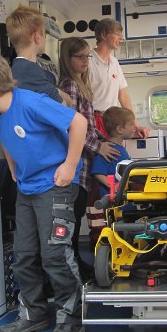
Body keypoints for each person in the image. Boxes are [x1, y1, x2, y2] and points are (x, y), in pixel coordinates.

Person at [0, 50, 88, 332]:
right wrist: (13, 168)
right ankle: (33, 314)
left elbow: (78, 123)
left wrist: (69, 165)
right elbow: (7, 140)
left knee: (54, 253)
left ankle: (71, 318)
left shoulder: (30, 102)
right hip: (27, 188)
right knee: (24, 254)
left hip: (56, 184)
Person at [58, 37, 120, 278]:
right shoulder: (70, 86)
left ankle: (75, 263)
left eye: (87, 56)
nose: (86, 61)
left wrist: (105, 141)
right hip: (77, 166)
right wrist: (99, 147)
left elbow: (90, 126)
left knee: (76, 216)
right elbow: (72, 126)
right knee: (72, 219)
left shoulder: (81, 84)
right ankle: (72, 267)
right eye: (80, 57)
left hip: (83, 165)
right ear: (68, 58)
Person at [89, 18, 149, 138]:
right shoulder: (88, 60)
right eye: (117, 34)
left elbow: (123, 96)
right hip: (92, 120)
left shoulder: (114, 62)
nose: (121, 38)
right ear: (104, 35)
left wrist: (135, 125)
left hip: (110, 122)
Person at [6, 5, 71, 106]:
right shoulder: (30, 71)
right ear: (37, 37)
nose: (45, 38)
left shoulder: (13, 70)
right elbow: (64, 106)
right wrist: (60, 92)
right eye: (44, 34)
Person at [91, 106, 136, 196]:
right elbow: (98, 172)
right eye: (131, 124)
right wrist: (113, 186)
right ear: (120, 129)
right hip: (112, 200)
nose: (135, 127)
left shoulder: (121, 148)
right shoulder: (109, 149)